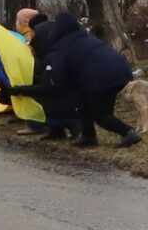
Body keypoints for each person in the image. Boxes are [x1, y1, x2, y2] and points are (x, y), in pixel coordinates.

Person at [12, 11, 141, 148]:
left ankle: (128, 132)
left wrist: (29, 88)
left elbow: (55, 79)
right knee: (83, 102)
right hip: (120, 69)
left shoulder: (62, 47)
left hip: (100, 76)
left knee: (101, 115)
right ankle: (88, 136)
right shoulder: (83, 38)